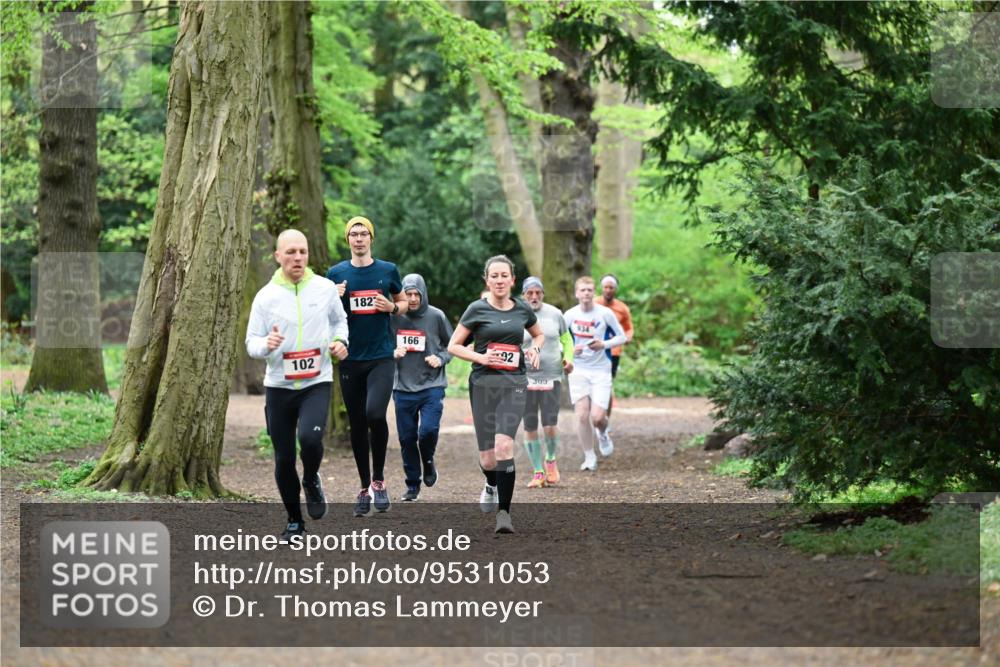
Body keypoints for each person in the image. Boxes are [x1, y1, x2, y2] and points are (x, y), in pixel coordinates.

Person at [245, 229, 349, 539]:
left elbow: (339, 321)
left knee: (311, 440)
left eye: (302, 251)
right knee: (284, 457)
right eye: (290, 252)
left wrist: (340, 341)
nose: (298, 257)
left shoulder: (325, 289)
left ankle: (312, 477)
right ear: (278, 256)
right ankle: (294, 521)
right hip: (279, 385)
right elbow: (251, 342)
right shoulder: (265, 297)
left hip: (317, 381)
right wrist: (268, 343)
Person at [448, 255, 544, 534]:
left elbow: (538, 335)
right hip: (483, 385)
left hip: (514, 383)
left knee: (504, 447)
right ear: (487, 280)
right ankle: (491, 482)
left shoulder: (522, 309)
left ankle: (504, 514)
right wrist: (482, 357)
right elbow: (454, 346)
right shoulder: (476, 309)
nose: (500, 281)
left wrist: (535, 348)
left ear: (512, 280)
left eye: (505, 276)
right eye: (495, 276)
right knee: (488, 459)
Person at [327, 216, 408, 517]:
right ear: (348, 239)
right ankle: (364, 487)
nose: (359, 238)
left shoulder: (387, 270)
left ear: (371, 238)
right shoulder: (336, 273)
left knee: (375, 413)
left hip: (381, 356)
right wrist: (333, 298)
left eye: (364, 233)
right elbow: (326, 315)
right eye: (353, 234)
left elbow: (404, 304)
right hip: (351, 358)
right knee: (358, 422)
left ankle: (379, 479)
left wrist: (392, 307)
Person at [391, 273, 453, 501]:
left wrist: (441, 358)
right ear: (402, 295)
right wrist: (392, 353)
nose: (414, 298)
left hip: (431, 386)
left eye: (417, 294)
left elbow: (452, 345)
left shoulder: (436, 316)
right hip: (402, 387)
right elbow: (383, 345)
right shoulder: (394, 317)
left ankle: (428, 460)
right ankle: (412, 485)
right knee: (407, 439)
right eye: (408, 294)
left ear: (423, 293)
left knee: (427, 432)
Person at [564, 276, 628, 471]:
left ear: (594, 292)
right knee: (582, 415)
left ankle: (603, 433)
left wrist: (603, 345)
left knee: (597, 417)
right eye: (582, 290)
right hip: (579, 369)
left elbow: (622, 336)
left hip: (601, 369)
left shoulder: (605, 314)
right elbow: (556, 339)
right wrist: (569, 350)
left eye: (590, 290)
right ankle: (589, 456)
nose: (586, 293)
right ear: (576, 293)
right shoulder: (570, 315)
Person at [519, 277, 574, 488]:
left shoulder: (555, 314)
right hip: (525, 379)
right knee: (530, 425)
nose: (534, 297)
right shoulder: (516, 315)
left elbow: (567, 340)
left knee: (550, 425)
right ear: (523, 295)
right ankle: (538, 471)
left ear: (543, 293)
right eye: (529, 293)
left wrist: (569, 359)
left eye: (538, 293)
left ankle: (550, 459)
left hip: (551, 377)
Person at [594, 273, 634, 421]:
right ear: (601, 288)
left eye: (611, 287)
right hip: (593, 351)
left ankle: (605, 419)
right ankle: (594, 415)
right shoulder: (593, 304)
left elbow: (629, 328)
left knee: (607, 384)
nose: (608, 290)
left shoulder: (622, 308)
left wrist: (627, 337)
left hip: (613, 352)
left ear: (615, 289)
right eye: (606, 287)